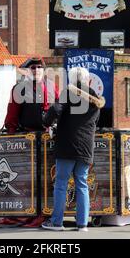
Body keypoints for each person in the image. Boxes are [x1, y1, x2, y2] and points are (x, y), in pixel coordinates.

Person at [0, 57, 59, 228]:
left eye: (39, 67)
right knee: (22, 179)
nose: (36, 70)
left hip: (47, 139)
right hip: (26, 139)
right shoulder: (19, 89)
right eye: (33, 68)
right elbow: (12, 114)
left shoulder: (52, 87)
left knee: (45, 179)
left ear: (44, 70)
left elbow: (60, 108)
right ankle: (20, 214)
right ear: (28, 71)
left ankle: (41, 214)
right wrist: (11, 135)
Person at [41, 67, 101, 232]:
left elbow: (55, 109)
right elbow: (96, 122)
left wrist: (46, 122)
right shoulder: (96, 99)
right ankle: (82, 224)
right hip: (86, 147)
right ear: (88, 81)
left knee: (61, 184)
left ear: (71, 81)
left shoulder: (69, 93)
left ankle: (57, 223)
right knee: (82, 183)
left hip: (67, 144)